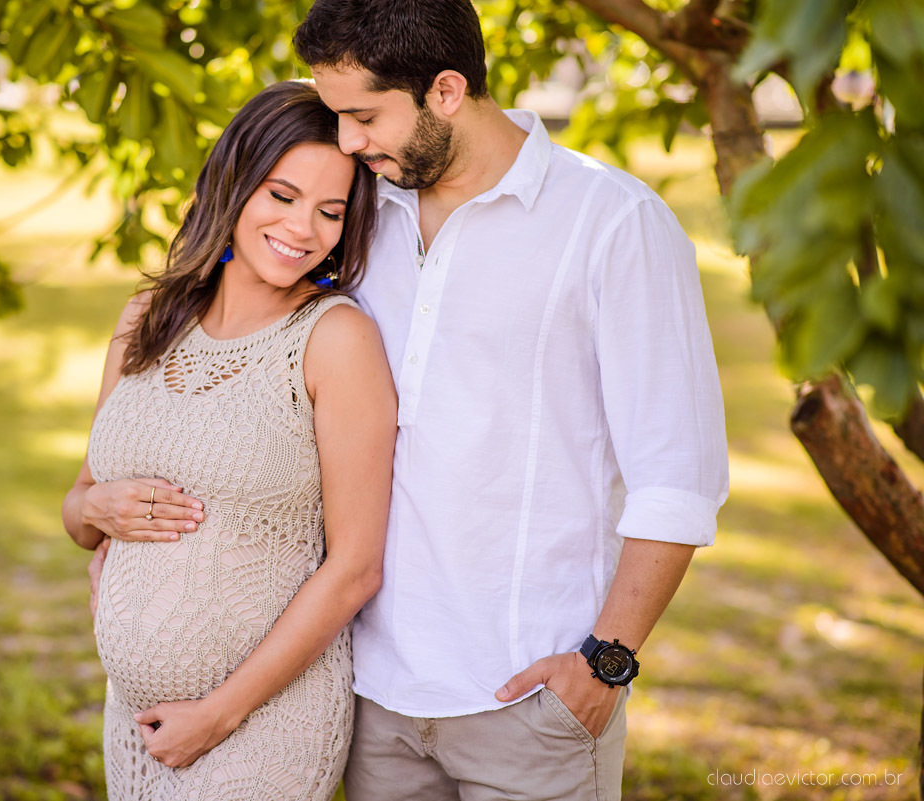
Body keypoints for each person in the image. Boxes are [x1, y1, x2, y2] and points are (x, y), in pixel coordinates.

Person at [288, 2, 730, 800]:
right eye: (337, 117)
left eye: (363, 116)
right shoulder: (358, 213)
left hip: (531, 702)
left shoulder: (614, 222)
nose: (347, 142)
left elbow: (679, 476)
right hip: (370, 693)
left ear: (447, 91)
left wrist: (605, 662)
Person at [62, 80, 397, 801]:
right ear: (235, 183)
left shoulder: (333, 339)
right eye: (281, 195)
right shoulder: (146, 318)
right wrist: (97, 510)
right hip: (133, 718)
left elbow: (356, 569)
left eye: (330, 211)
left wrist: (217, 714)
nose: (303, 228)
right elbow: (77, 506)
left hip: (263, 727)